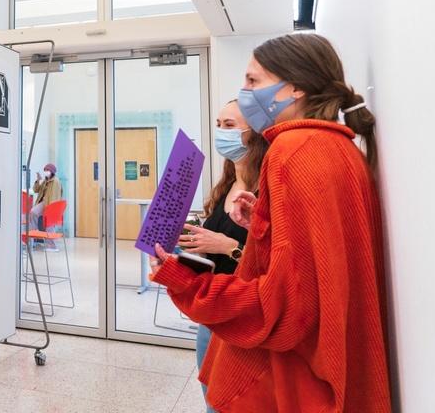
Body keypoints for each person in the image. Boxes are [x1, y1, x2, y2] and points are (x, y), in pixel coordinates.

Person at [149, 34, 390, 413]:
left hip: (286, 381)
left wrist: (186, 282)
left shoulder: (291, 151)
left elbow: (284, 307)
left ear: (294, 88)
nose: (244, 91)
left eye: (253, 81)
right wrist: (264, 225)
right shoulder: (338, 148)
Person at [177, 100, 268, 412]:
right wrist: (194, 239)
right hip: (210, 314)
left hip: (241, 316)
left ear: (254, 134)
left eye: (229, 126)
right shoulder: (228, 182)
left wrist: (227, 245)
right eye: (218, 124)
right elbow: (214, 243)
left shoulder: (266, 191)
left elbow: (272, 265)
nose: (220, 132)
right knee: (211, 401)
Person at [30, 163, 62, 250]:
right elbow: (35, 190)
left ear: (52, 171)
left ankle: (52, 246)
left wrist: (50, 210)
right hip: (43, 202)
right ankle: (33, 234)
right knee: (33, 212)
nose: (46, 172)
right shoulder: (45, 181)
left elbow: (54, 197)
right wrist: (37, 181)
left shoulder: (55, 182)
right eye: (45, 170)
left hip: (51, 204)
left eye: (47, 170)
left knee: (49, 223)